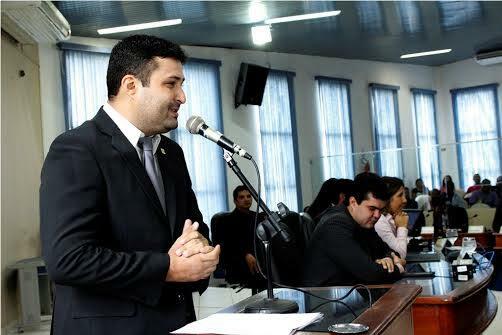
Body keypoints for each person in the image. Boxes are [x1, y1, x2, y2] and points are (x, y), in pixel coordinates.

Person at [40, 35, 220, 335]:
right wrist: (168, 268)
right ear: (131, 85)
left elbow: (193, 226)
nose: (182, 97)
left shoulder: (171, 153)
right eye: (171, 84)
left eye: (182, 84)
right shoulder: (77, 149)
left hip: (176, 323)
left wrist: (200, 249)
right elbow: (68, 259)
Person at [302, 173, 404, 287]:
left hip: (350, 293)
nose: (377, 215)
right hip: (328, 298)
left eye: (381, 210)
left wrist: (387, 258)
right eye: (372, 208)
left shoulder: (363, 222)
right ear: (353, 202)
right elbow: (371, 273)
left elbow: (387, 250)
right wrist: (398, 267)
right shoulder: (335, 226)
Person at [211, 186, 265, 291]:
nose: (246, 199)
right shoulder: (227, 220)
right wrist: (245, 254)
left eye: (249, 196)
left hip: (259, 260)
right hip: (238, 262)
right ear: (235, 201)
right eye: (242, 197)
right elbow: (228, 245)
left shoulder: (257, 217)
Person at [375, 177, 409, 259]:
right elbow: (400, 254)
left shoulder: (389, 218)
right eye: (400, 195)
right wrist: (402, 227)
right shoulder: (380, 222)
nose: (405, 200)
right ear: (387, 198)